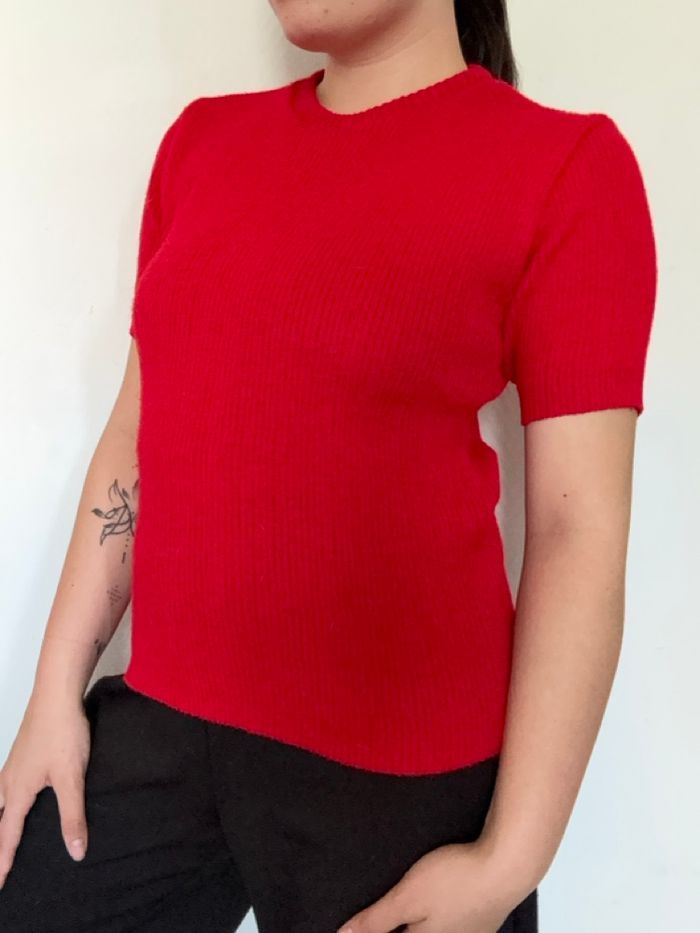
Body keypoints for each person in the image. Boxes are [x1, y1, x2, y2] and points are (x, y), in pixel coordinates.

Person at [0, 1, 657, 931]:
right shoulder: (200, 146)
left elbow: (575, 529)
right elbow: (133, 435)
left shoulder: (568, 169)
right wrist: (52, 694)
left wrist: (510, 860)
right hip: (160, 724)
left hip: (402, 784)